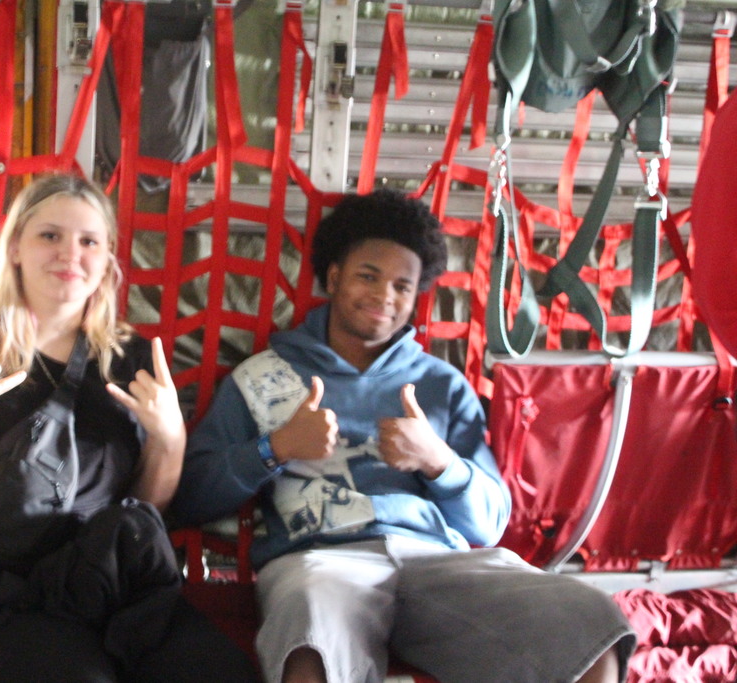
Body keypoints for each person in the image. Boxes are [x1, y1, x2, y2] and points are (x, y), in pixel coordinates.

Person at [169, 188, 636, 683]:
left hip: (435, 562)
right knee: (309, 637)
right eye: (368, 276)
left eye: (401, 286)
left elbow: (490, 523)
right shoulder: (263, 376)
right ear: (334, 276)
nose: (384, 297)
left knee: (590, 627)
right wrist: (275, 449)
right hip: (319, 561)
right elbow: (193, 496)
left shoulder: (442, 385)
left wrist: (440, 462)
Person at [0, 174, 257, 683]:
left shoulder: (131, 358)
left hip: (99, 574)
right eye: (50, 236)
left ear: (107, 260)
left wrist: (170, 440)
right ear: (15, 247)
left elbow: (147, 507)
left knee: (221, 671)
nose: (70, 253)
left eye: (89, 241)